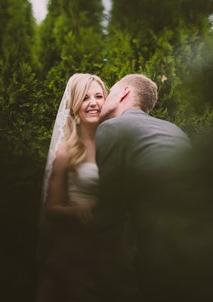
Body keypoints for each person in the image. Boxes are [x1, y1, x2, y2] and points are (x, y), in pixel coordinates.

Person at [37, 73, 139, 302]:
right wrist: (76, 211)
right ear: (74, 105)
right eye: (85, 98)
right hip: (78, 246)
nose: (93, 103)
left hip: (114, 244)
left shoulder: (118, 143)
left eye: (98, 96)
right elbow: (50, 208)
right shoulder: (66, 151)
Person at [95, 74, 193, 301]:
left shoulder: (113, 128)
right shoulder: (174, 129)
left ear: (124, 92)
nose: (105, 99)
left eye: (110, 92)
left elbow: (108, 214)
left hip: (163, 249)